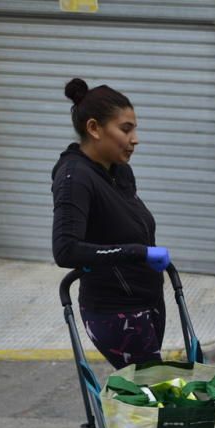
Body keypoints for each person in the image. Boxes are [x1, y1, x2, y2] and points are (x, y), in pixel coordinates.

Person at [52, 78, 171, 369]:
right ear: (94, 128)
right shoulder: (74, 178)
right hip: (116, 312)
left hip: (146, 302)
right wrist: (137, 252)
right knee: (154, 400)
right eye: (126, 129)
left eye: (134, 129)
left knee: (147, 400)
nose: (135, 139)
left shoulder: (119, 172)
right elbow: (66, 250)